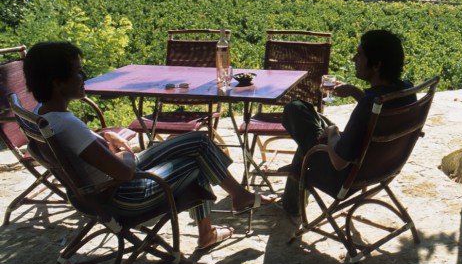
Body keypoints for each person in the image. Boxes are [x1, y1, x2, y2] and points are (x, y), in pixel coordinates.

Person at [22, 41, 273, 251]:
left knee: (198, 141)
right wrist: (124, 151)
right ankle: (226, 211)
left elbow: (81, 143)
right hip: (125, 196)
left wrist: (105, 135)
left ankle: (235, 200)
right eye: (78, 72)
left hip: (96, 193)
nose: (84, 76)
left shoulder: (42, 115)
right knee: (197, 161)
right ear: (58, 83)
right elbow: (124, 172)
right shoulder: (67, 125)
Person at [280, 29, 415, 217]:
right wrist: (354, 91)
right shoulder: (406, 91)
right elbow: (379, 112)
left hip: (344, 177)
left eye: (360, 54)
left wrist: (333, 132)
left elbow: (338, 161)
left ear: (376, 65)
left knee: (296, 109)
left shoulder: (369, 104)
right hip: (381, 166)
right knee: (315, 121)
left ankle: (298, 174)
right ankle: (292, 196)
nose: (354, 59)